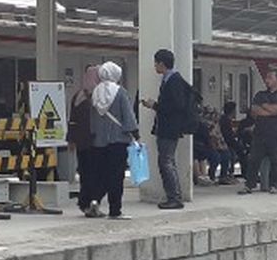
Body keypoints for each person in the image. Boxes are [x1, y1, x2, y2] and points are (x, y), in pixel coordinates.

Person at [140, 48, 194, 210]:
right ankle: (173, 195)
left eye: (156, 63)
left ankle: (174, 197)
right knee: (167, 161)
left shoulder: (174, 81)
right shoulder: (170, 79)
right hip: (167, 127)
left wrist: (154, 105)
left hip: (170, 128)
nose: (154, 66)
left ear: (162, 64)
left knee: (166, 161)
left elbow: (177, 105)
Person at [86, 62, 138, 219]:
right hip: (118, 141)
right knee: (116, 176)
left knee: (101, 174)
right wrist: (135, 134)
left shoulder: (95, 93)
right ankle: (115, 210)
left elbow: (92, 119)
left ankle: (94, 202)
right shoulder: (120, 92)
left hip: (99, 141)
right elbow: (128, 116)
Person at [239, 70, 277, 194]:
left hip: (276, 133)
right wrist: (271, 110)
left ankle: (274, 185)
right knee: (254, 160)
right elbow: (255, 111)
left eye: (270, 77)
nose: (267, 80)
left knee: (275, 161)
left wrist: (265, 106)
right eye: (267, 77)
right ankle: (249, 185)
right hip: (259, 133)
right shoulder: (259, 94)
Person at [68, 64, 99, 215]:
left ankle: (85, 202)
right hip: (94, 142)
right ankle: (90, 203)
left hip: (81, 142)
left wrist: (71, 139)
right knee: (93, 174)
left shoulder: (77, 96)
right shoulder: (98, 96)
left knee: (85, 173)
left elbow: (72, 119)